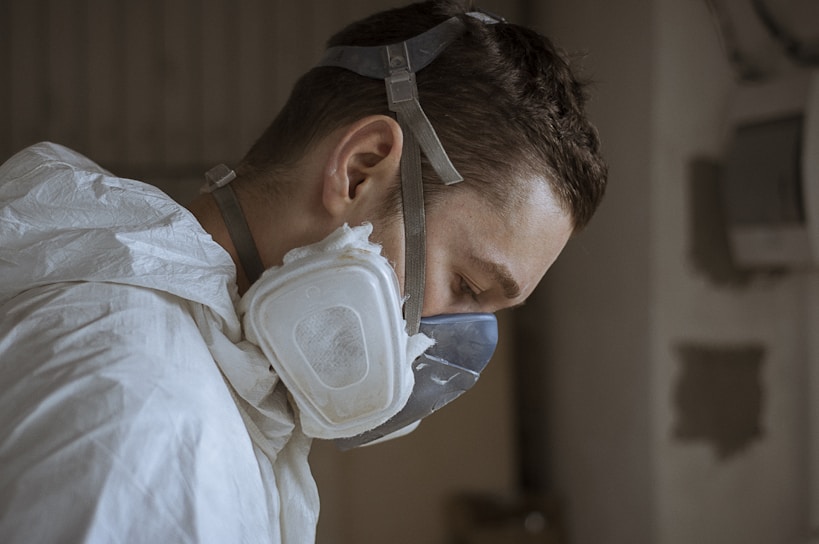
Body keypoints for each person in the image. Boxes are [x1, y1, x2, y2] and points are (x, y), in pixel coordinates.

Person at [0, 0, 606, 542]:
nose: (453, 345)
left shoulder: (203, 370)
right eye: (468, 286)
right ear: (360, 170)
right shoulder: (148, 415)